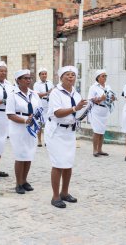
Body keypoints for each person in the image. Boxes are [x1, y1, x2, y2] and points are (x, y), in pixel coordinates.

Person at [45, 66, 87, 208]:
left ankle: (65, 192)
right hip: (56, 132)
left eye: (73, 75)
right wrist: (75, 108)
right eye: (68, 75)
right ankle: (55, 196)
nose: (71, 77)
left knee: (68, 163)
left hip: (70, 132)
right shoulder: (56, 93)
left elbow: (78, 113)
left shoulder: (76, 93)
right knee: (58, 163)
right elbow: (57, 113)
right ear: (61, 77)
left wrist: (86, 109)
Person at [7, 69, 42, 194]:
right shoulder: (13, 95)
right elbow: (10, 115)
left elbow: (39, 108)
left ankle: (24, 180)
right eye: (25, 78)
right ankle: (18, 183)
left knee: (29, 155)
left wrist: (37, 119)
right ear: (18, 80)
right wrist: (24, 120)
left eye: (30, 78)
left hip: (31, 126)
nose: (28, 80)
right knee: (20, 155)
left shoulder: (34, 94)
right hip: (18, 127)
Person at [87, 69, 115, 157]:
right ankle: (95, 150)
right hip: (96, 110)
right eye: (103, 76)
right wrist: (100, 98)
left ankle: (100, 149)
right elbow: (91, 99)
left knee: (102, 131)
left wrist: (112, 98)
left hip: (105, 110)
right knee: (97, 130)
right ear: (98, 78)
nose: (105, 78)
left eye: (105, 76)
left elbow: (110, 96)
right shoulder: (93, 87)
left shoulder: (108, 86)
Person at [33, 67, 54, 147]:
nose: (44, 75)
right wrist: (47, 93)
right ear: (39, 75)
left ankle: (47, 140)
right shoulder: (36, 84)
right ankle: (39, 140)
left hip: (49, 104)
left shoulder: (50, 82)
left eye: (45, 74)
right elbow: (36, 94)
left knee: (48, 123)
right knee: (40, 123)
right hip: (41, 103)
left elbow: (52, 92)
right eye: (42, 74)